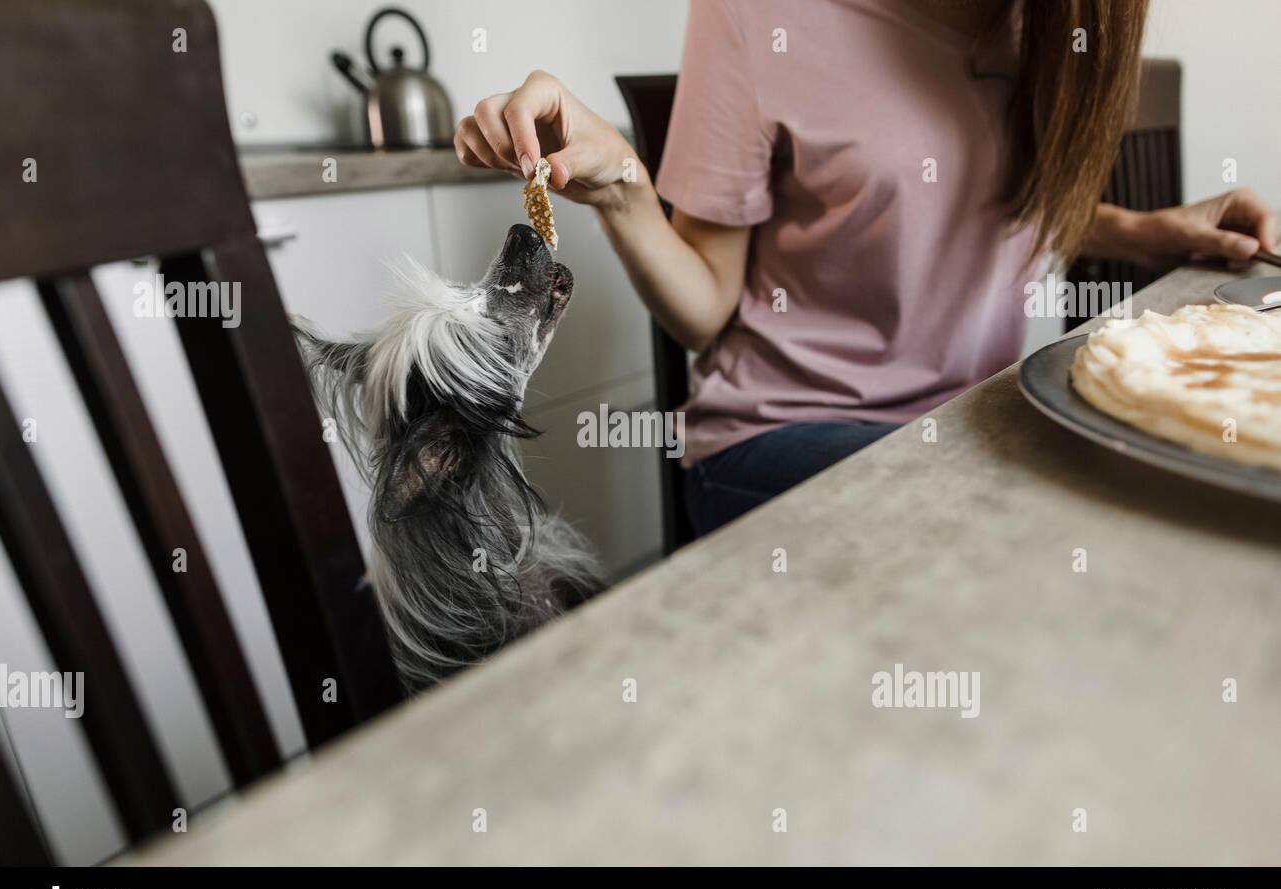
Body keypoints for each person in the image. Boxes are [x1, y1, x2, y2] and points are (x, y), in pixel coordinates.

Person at [455, 0, 1277, 535]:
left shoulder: (1038, 23)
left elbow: (974, 200)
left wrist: (1148, 231)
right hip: (781, 434)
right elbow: (705, 308)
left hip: (972, 428)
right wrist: (625, 185)